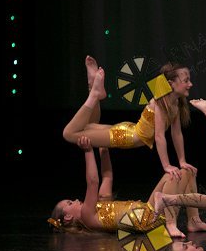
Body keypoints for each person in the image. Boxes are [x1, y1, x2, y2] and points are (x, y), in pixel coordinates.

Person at [50, 57, 206, 237]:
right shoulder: (87, 217)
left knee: (78, 130)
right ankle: (94, 92)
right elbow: (93, 181)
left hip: (131, 139)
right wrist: (88, 151)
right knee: (180, 174)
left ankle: (193, 221)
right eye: (70, 203)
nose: (75, 199)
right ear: (68, 217)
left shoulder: (100, 205)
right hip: (145, 218)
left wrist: (102, 150)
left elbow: (106, 176)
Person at [62, 55, 198, 181]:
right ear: (171, 83)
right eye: (186, 81)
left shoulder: (175, 103)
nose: (190, 84)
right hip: (125, 137)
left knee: (88, 126)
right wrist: (166, 166)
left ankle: (93, 87)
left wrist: (182, 161)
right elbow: (159, 136)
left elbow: (176, 133)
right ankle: (94, 93)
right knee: (69, 134)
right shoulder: (160, 103)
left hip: (129, 129)